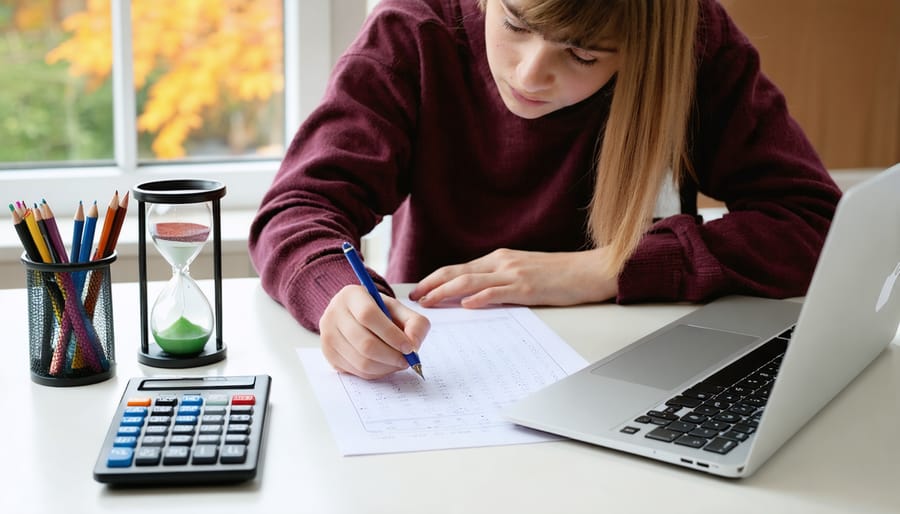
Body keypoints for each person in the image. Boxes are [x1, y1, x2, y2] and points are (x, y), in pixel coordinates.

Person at [249, 0, 842, 380]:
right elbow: (299, 208)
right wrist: (337, 294)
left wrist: (608, 268)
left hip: (635, 366)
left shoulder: (693, 41)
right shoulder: (412, 34)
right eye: (514, 24)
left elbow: (814, 222)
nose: (530, 74)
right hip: (446, 367)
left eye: (582, 54)